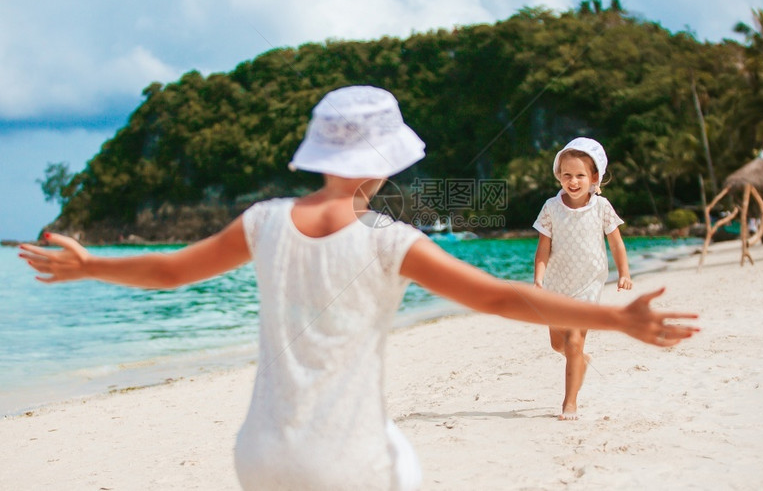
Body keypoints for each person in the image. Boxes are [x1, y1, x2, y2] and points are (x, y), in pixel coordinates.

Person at [19, 86, 698, 491]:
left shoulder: (263, 222)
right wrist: (617, 320)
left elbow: (169, 271)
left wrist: (90, 264)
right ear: (385, 161)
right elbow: (498, 297)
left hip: (258, 454)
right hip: (346, 458)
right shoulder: (388, 238)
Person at [533, 137, 633, 420]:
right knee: (558, 344)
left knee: (575, 340)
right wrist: (539, 279)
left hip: (589, 283)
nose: (573, 181)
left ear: (594, 177)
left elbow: (616, 244)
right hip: (556, 283)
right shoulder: (551, 207)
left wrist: (624, 273)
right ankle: (579, 361)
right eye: (567, 175)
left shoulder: (602, 207)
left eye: (580, 175)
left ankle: (569, 403)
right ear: (559, 176)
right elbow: (543, 249)